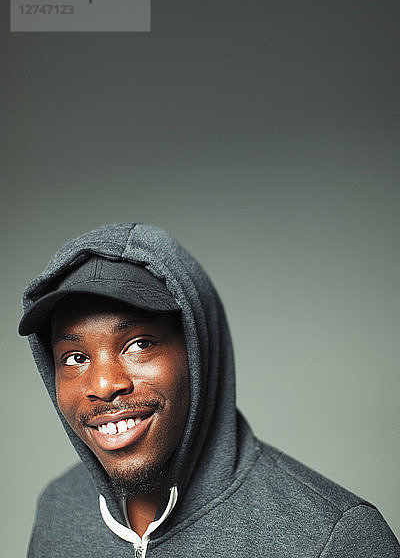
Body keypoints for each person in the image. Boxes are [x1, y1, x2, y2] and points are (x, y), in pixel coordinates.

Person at [19, 222, 400, 557]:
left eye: (139, 344)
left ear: (198, 353)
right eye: (74, 357)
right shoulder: (60, 508)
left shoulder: (333, 537)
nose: (104, 385)